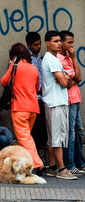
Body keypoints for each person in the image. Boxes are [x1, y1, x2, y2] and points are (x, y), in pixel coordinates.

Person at [1, 43, 44, 175]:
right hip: (33, 108)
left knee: (24, 139)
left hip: (19, 108)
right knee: (24, 138)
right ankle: (23, 166)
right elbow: (37, 88)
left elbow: (4, 81)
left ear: (14, 56)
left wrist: (10, 65)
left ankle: (38, 164)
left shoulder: (15, 66)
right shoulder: (34, 68)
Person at [42, 30, 77, 180]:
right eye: (55, 41)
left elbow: (68, 80)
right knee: (57, 138)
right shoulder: (52, 59)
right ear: (47, 43)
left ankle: (52, 167)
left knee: (53, 137)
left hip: (55, 101)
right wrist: (67, 78)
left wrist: (66, 78)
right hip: (56, 102)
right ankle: (62, 169)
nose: (58, 43)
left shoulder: (52, 58)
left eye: (59, 41)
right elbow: (65, 82)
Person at [57, 30, 85, 175]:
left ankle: (79, 163)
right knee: (71, 133)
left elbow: (77, 77)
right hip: (69, 99)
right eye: (69, 42)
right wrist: (74, 59)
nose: (72, 45)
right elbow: (78, 79)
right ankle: (70, 164)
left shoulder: (68, 56)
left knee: (79, 131)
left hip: (76, 97)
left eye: (73, 42)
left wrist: (73, 79)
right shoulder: (60, 59)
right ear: (61, 42)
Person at [26, 32, 48, 164]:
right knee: (32, 131)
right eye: (35, 45)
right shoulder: (25, 59)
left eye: (40, 44)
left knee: (42, 130)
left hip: (42, 98)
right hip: (31, 98)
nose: (39, 47)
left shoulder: (42, 58)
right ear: (28, 45)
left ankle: (40, 158)